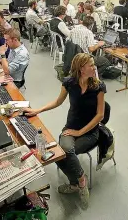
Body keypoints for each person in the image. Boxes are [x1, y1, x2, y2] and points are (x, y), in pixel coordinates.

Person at [23, 53, 107, 209]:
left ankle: (78, 183)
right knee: (60, 154)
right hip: (70, 128)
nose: (94, 67)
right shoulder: (69, 83)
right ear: (82, 68)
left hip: (90, 132)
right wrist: (37, 110)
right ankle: (80, 181)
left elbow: (100, 115)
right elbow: (57, 101)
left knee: (66, 153)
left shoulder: (99, 86)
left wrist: (80, 132)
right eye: (91, 65)